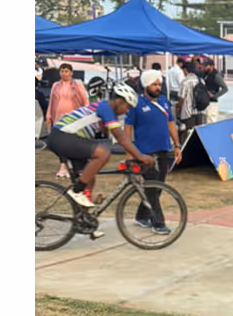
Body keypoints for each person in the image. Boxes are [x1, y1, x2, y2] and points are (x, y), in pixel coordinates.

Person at [45, 83, 154, 239]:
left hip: (67, 138)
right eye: (128, 106)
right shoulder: (105, 108)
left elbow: (120, 138)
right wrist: (141, 156)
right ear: (119, 101)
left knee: (90, 177)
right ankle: (76, 190)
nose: (127, 111)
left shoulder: (106, 110)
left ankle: (86, 221)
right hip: (62, 136)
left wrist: (133, 156)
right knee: (103, 153)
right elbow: (121, 138)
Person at [124, 70, 180, 235]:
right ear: (146, 85)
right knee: (151, 189)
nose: (158, 87)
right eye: (154, 84)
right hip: (145, 153)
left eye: (159, 84)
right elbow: (127, 130)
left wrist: (177, 145)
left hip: (163, 150)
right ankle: (158, 223)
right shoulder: (136, 104)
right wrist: (129, 154)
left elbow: (171, 124)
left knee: (158, 187)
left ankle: (141, 216)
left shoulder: (164, 101)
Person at [46, 63, 90, 179]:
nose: (63, 74)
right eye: (61, 71)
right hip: (58, 117)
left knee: (72, 142)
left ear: (71, 73)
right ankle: (62, 165)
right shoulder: (56, 85)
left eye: (66, 71)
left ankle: (75, 165)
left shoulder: (77, 85)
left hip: (73, 117)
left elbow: (85, 100)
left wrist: (86, 114)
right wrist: (48, 115)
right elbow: (51, 101)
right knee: (60, 142)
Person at [176, 61, 202, 132]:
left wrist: (177, 106)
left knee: (186, 132)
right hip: (200, 111)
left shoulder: (185, 82)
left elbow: (181, 98)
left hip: (187, 112)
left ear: (185, 70)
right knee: (198, 132)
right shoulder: (201, 81)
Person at [202, 59, 228, 123]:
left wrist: (214, 96)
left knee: (211, 120)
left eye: (206, 66)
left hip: (212, 103)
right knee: (205, 120)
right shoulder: (205, 74)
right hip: (204, 101)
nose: (204, 67)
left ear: (212, 66)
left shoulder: (216, 75)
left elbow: (225, 88)